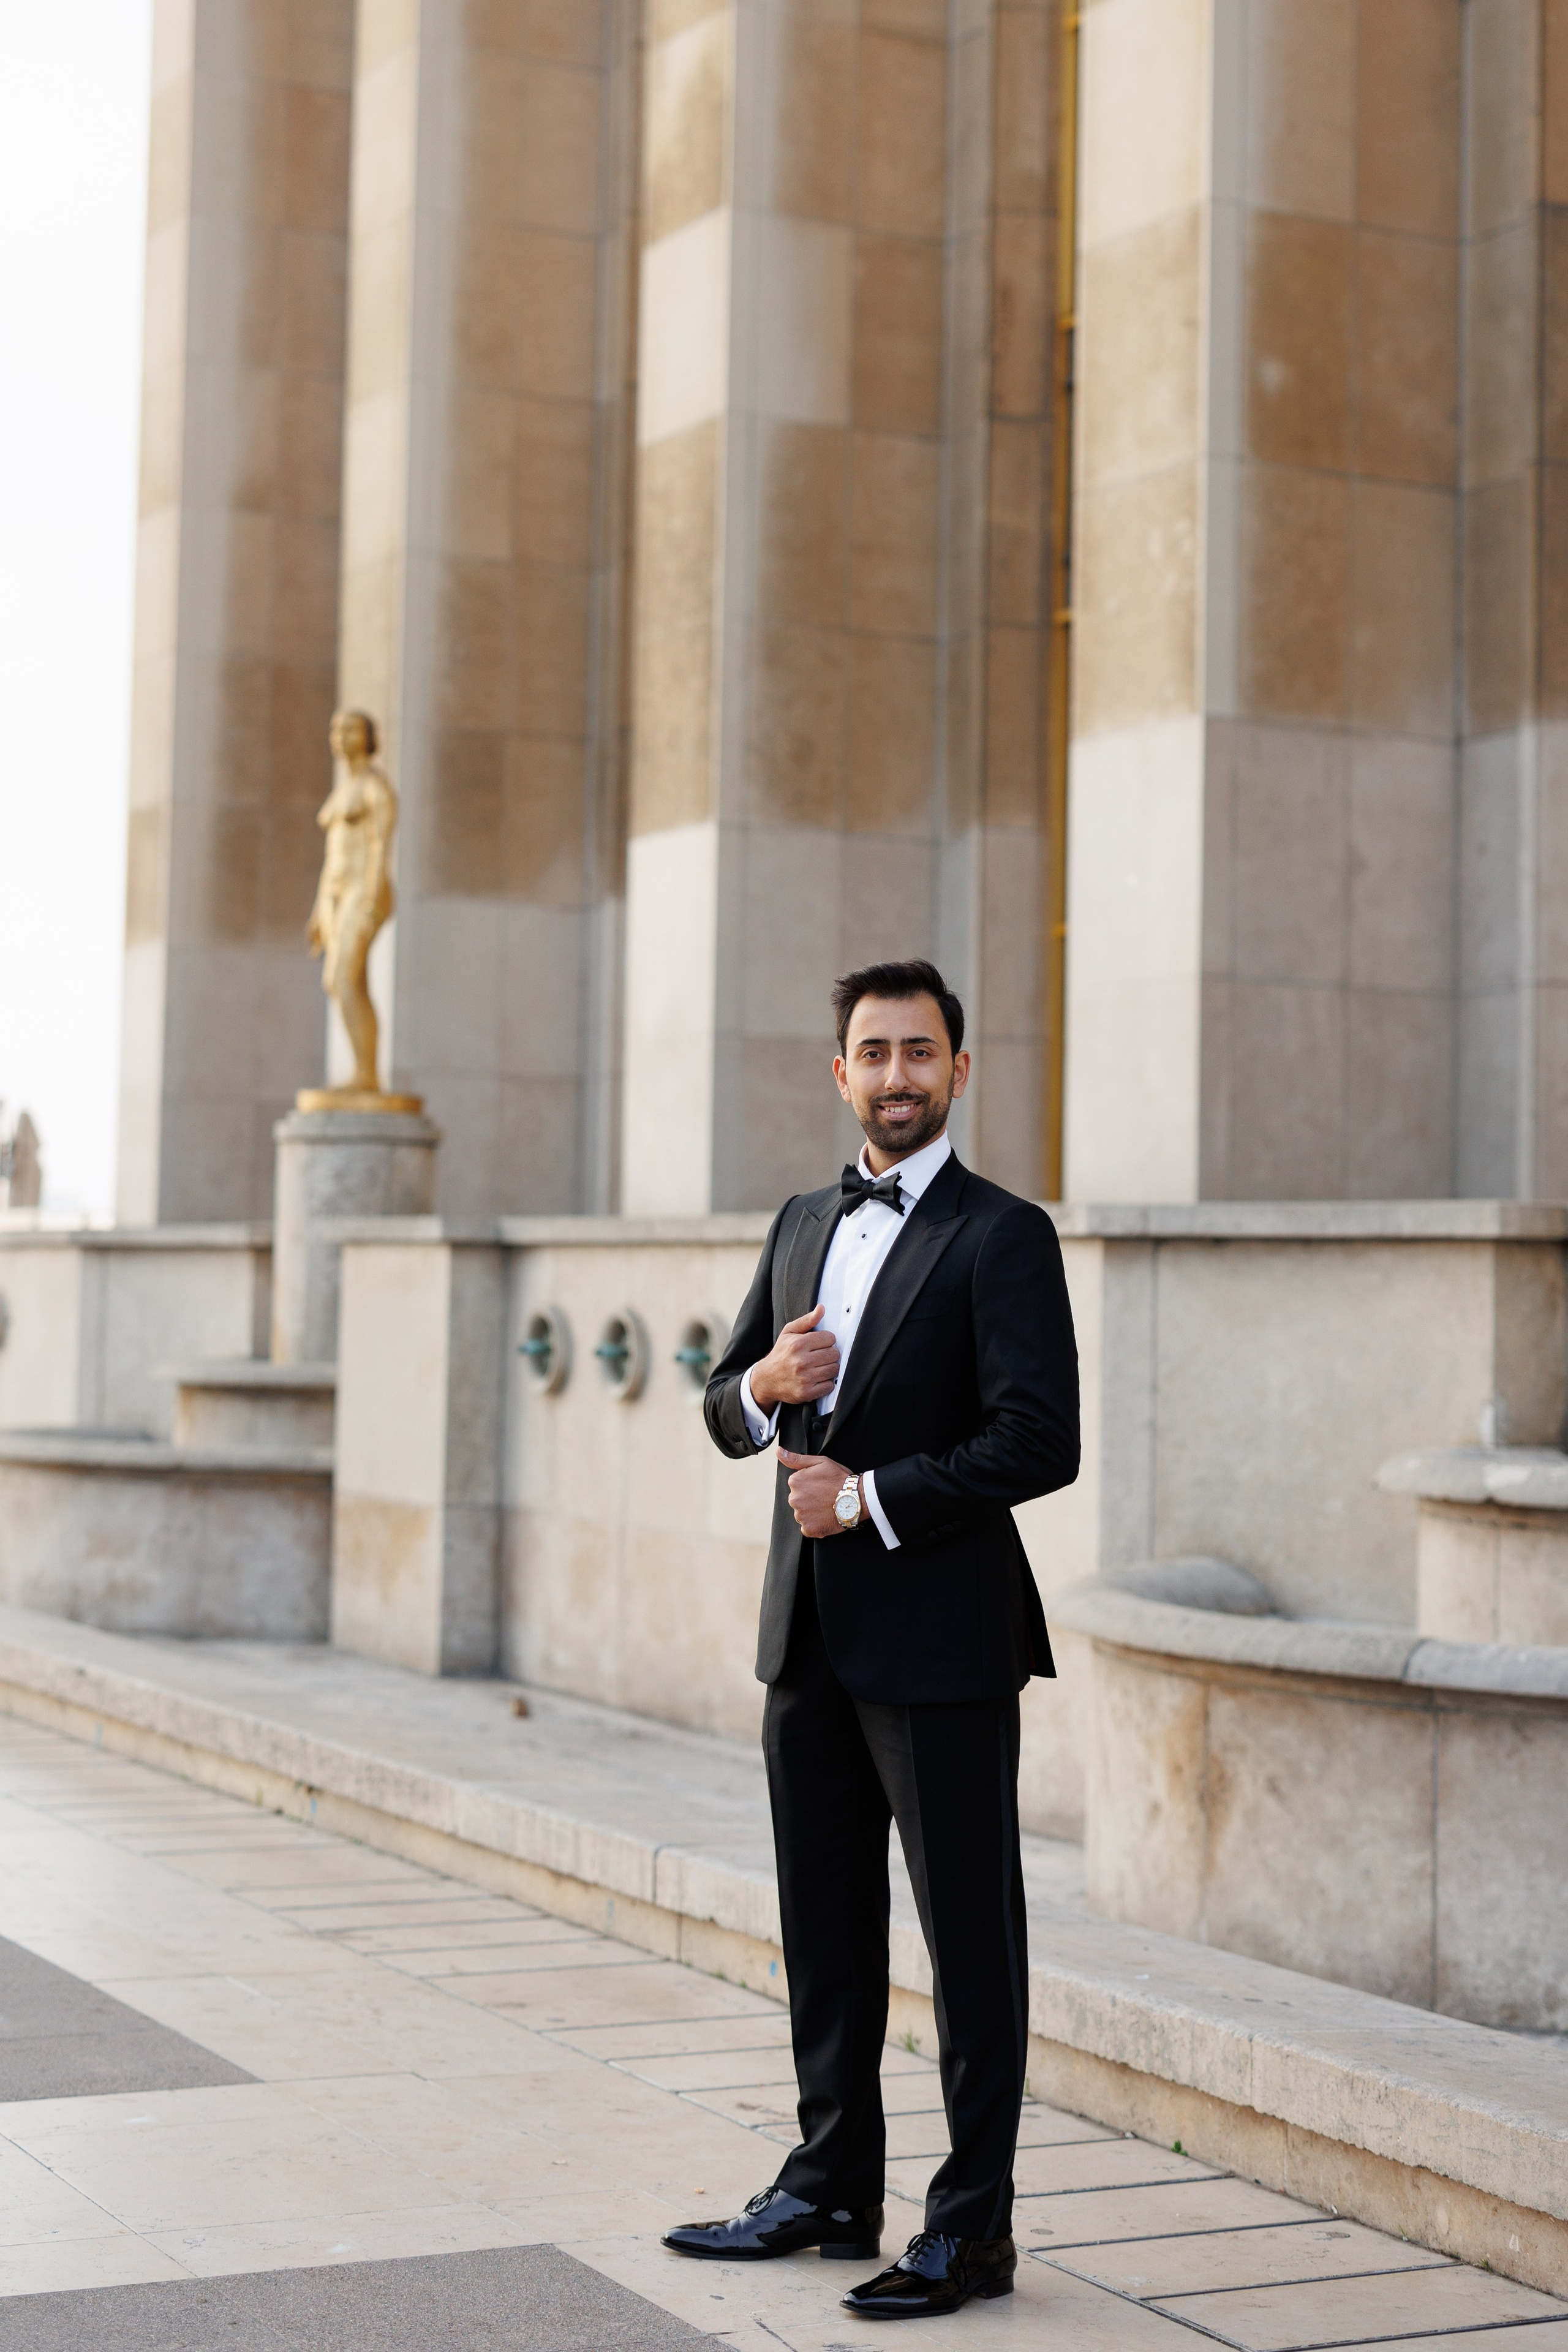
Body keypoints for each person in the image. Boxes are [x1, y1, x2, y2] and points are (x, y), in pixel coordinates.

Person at [663, 958, 1079, 2321]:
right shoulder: (800, 1220)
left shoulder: (1003, 1234)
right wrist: (762, 1385)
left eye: (921, 1051)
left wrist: (870, 1499)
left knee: (971, 1947)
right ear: (839, 1073)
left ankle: (970, 2232)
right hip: (806, 1641)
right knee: (825, 1931)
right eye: (874, 1053)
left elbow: (1040, 1441)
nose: (898, 1075)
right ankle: (831, 2187)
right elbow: (722, 1402)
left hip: (945, 1643)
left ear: (959, 1069)